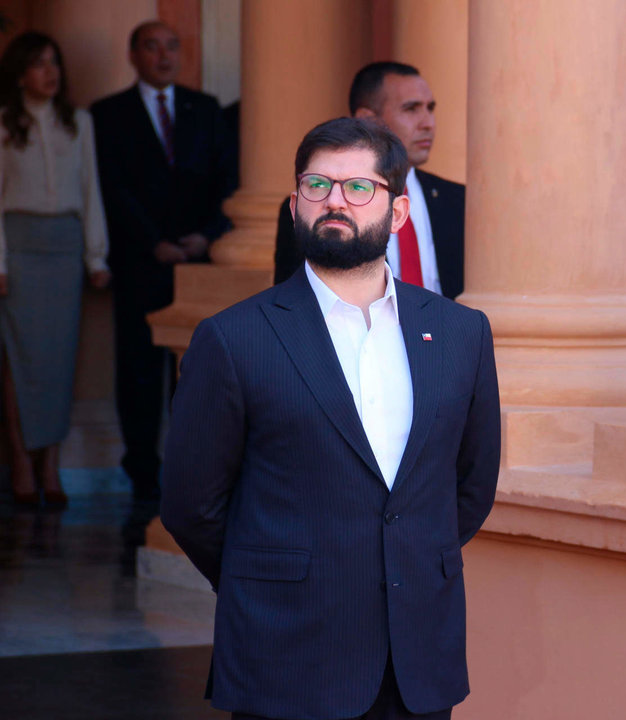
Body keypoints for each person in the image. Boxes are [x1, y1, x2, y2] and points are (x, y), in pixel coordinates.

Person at [161, 117, 500, 720]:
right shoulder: (234, 338)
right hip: (286, 655)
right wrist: (272, 578)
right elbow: (192, 504)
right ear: (296, 205)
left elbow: (470, 486)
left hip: (418, 660)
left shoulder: (460, 333)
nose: (335, 200)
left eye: (358, 187)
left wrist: (404, 560)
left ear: (396, 213)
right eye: (317, 185)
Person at [91, 21, 230, 505]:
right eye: (152, 47)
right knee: (138, 371)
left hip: (199, 264)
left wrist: (206, 237)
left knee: (199, 371)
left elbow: (226, 181)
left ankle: (192, 475)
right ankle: (144, 479)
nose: (164, 56)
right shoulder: (107, 114)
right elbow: (111, 188)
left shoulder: (206, 110)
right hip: (139, 263)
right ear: (134, 55)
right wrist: (153, 243)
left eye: (172, 46)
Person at [0, 32, 110, 508]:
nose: (50, 72)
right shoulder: (3, 122)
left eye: (55, 62)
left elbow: (90, 190)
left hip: (63, 248)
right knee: (19, 359)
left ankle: (51, 466)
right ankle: (22, 462)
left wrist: (95, 256)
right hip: (19, 245)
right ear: (19, 72)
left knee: (59, 360)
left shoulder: (78, 122)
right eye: (39, 63)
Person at [274, 62, 464, 299]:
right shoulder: (313, 208)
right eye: (411, 109)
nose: (428, 123)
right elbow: (290, 307)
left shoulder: (458, 200)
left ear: (400, 211)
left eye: (430, 108)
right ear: (368, 119)